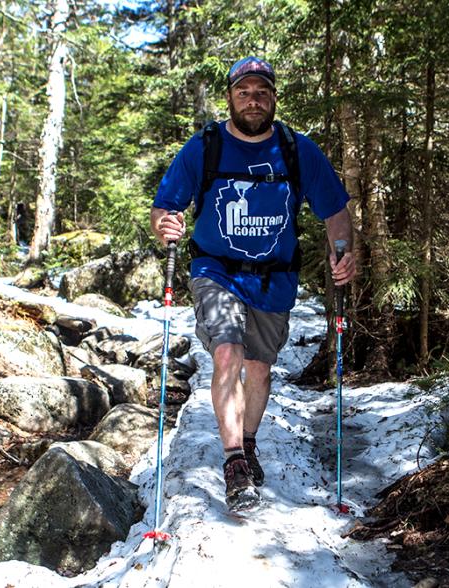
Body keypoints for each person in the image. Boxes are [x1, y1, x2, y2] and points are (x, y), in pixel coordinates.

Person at [150, 56, 356, 509]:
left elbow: (335, 212)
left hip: (273, 281)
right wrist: (165, 224)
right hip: (215, 272)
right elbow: (165, 206)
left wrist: (342, 250)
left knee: (259, 369)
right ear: (230, 98)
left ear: (274, 98)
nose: (253, 100)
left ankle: (247, 440)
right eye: (244, 92)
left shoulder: (298, 150)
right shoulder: (205, 147)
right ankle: (233, 462)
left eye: (261, 91)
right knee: (227, 353)